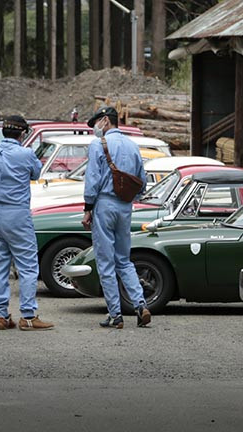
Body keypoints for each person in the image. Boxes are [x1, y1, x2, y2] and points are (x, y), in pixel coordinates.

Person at [82, 106, 150, 329]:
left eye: (96, 124)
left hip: (104, 204)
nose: (95, 129)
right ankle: (140, 304)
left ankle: (115, 315)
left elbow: (92, 178)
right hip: (125, 206)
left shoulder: (97, 145)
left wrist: (88, 207)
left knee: (105, 262)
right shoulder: (132, 146)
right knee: (124, 259)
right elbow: (142, 178)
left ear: (104, 121)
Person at [0, 115, 53, 331]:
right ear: (22, 134)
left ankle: (2, 315)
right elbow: (35, 173)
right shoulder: (26, 153)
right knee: (28, 265)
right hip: (17, 213)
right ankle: (29, 315)